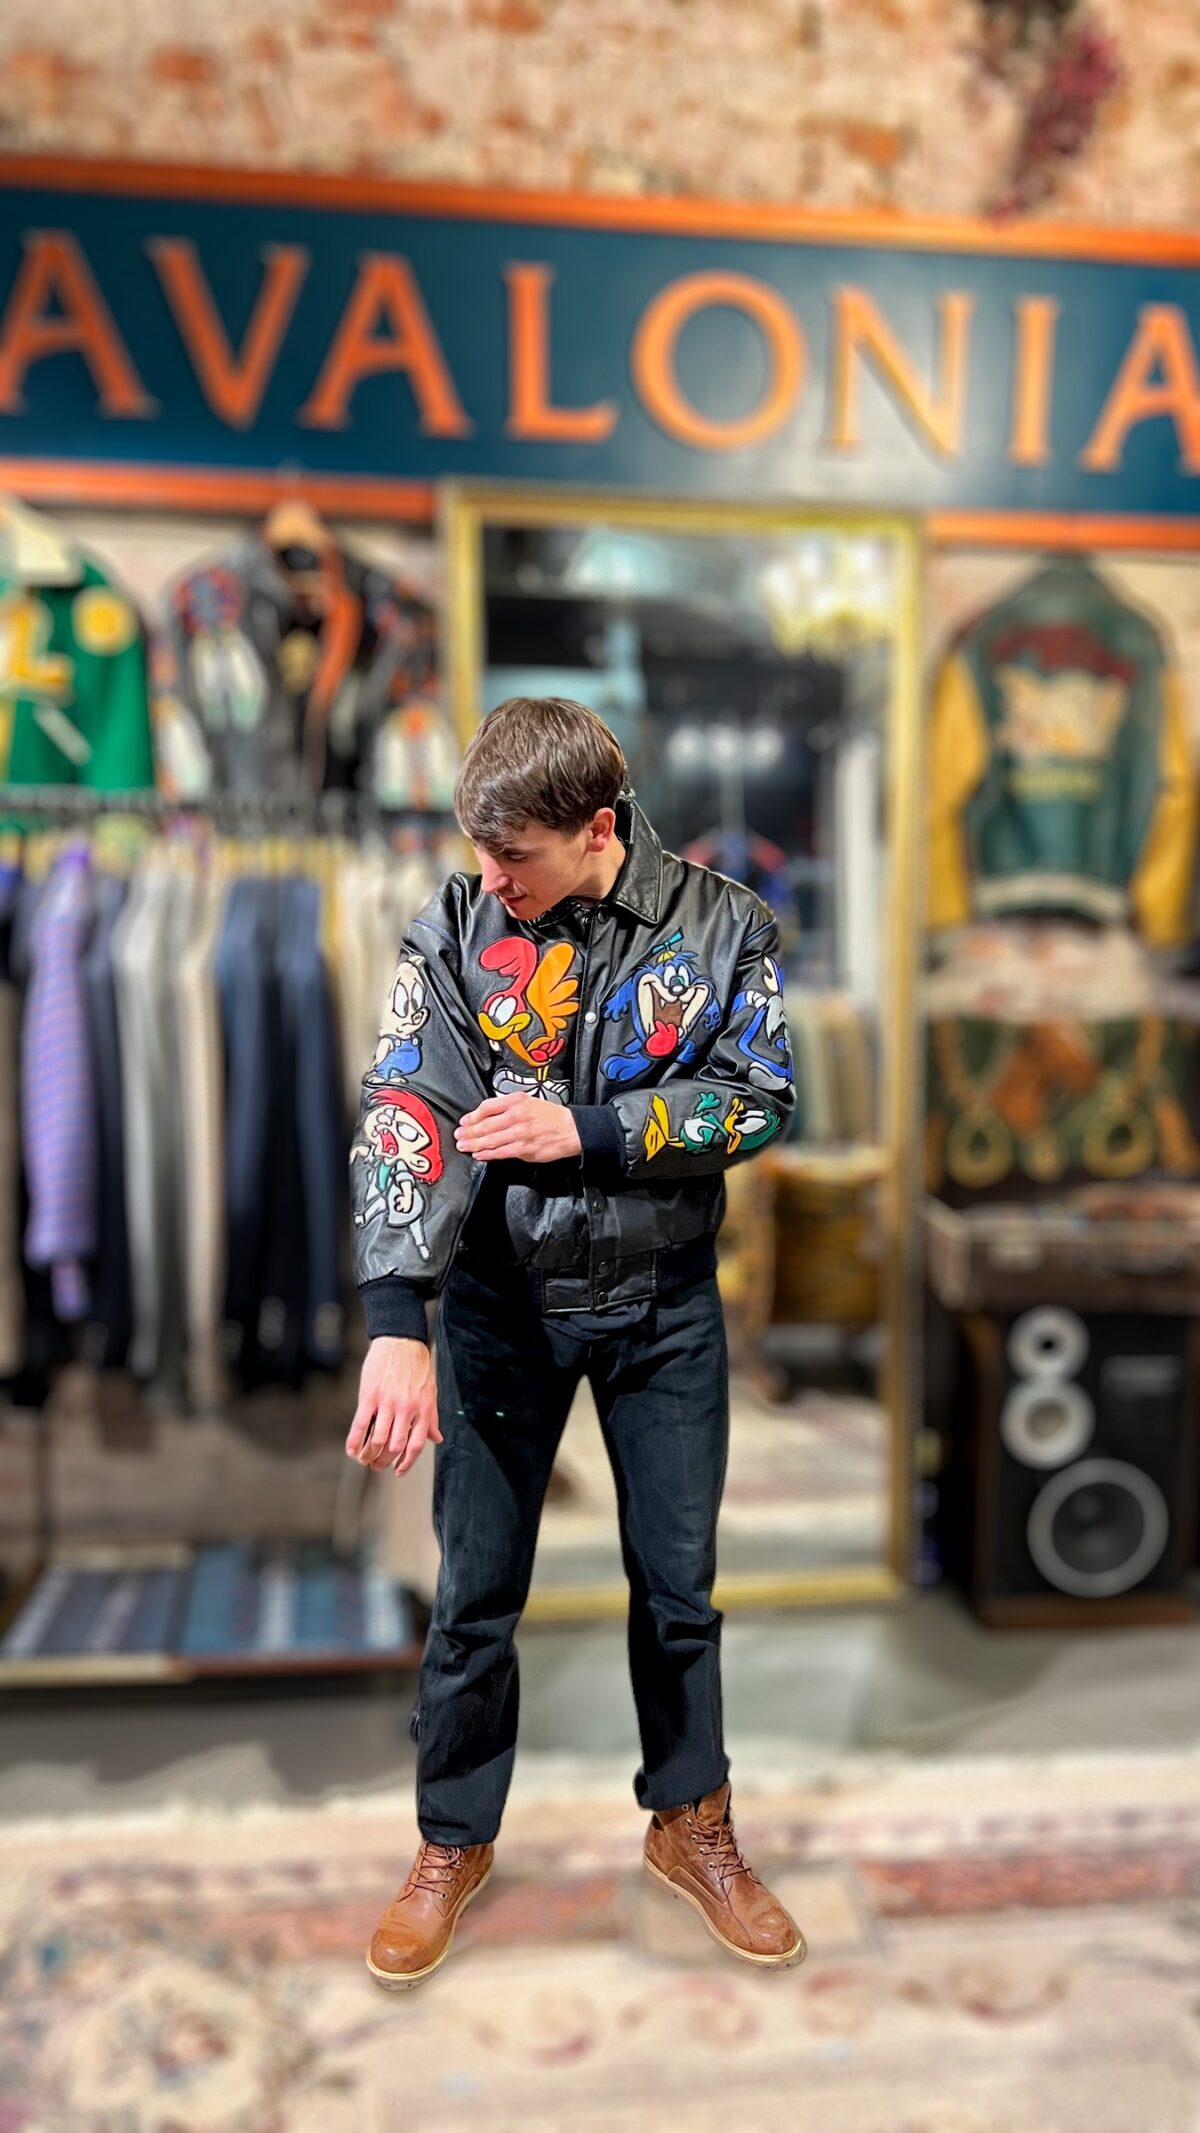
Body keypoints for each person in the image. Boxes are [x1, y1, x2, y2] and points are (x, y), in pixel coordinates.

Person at [346, 695, 807, 1989]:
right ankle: (452, 1839)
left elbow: (762, 1097)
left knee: (680, 1589)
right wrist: (397, 1321)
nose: (492, 878)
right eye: (480, 852)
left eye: (516, 856)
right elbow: (404, 1102)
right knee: (473, 1596)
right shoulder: (454, 926)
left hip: (666, 1305)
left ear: (598, 828)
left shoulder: (725, 925)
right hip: (499, 1306)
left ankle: (690, 1821)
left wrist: (588, 1133)